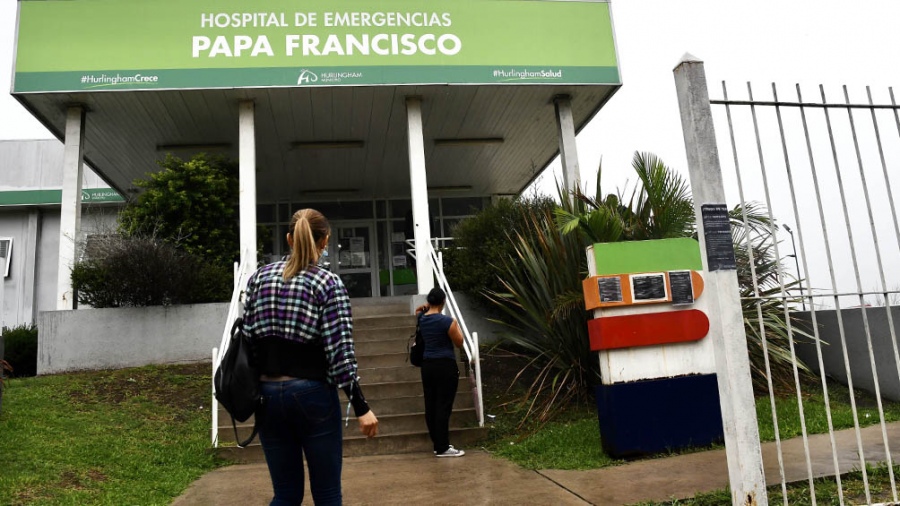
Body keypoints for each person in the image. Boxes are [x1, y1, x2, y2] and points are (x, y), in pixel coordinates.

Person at [242, 208, 378, 505]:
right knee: (327, 493)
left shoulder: (258, 280)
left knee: (285, 494)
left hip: (266, 396)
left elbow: (248, 340)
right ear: (325, 241)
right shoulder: (328, 284)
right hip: (312, 395)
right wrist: (361, 406)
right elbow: (340, 352)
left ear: (289, 238)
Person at [415, 287, 465, 457]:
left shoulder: (421, 319)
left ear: (429, 302)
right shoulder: (447, 322)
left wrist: (424, 307)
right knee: (444, 405)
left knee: (431, 405)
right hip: (445, 365)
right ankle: (443, 447)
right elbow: (459, 342)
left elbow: (418, 311)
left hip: (427, 365)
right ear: (443, 302)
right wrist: (456, 324)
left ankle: (438, 443)